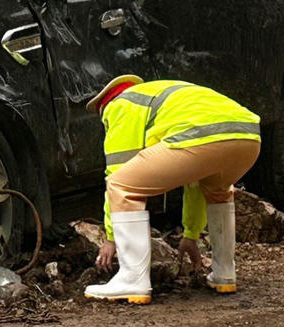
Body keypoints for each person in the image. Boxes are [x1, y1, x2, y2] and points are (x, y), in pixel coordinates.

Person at [83, 74, 261, 303]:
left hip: (202, 137)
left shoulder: (120, 106)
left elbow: (117, 174)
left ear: (103, 108)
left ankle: (132, 279)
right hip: (248, 136)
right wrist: (191, 235)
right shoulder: (159, 96)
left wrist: (110, 238)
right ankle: (224, 273)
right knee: (217, 191)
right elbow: (196, 179)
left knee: (121, 185)